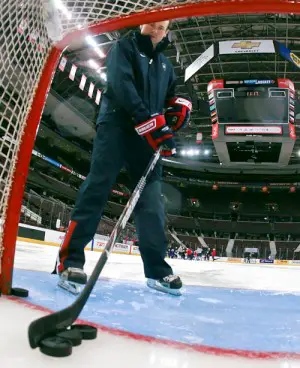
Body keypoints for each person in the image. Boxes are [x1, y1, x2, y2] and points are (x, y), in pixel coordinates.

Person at [53, 20, 192, 296]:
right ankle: (69, 261)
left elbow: (169, 99)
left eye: (162, 27)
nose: (156, 30)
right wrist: (151, 122)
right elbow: (121, 86)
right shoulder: (123, 48)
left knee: (151, 203)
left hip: (146, 136)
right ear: (142, 23)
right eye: (152, 24)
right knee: (98, 187)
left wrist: (176, 110)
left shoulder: (165, 65)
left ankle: (157, 271)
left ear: (167, 30)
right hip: (116, 126)